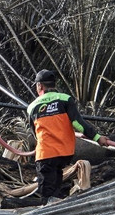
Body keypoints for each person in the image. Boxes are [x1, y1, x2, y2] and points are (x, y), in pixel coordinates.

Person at [27, 69, 109, 205]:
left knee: (46, 193)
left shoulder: (32, 107)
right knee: (57, 183)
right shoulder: (65, 99)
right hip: (64, 153)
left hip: (46, 154)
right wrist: (97, 138)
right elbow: (78, 123)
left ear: (39, 86)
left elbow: (34, 133)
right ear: (54, 84)